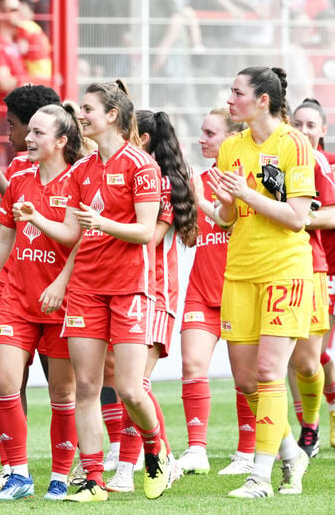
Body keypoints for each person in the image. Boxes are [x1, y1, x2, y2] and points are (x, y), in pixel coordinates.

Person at [13, 80, 172, 502]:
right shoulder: (81, 171)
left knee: (131, 388)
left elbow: (143, 232)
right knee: (85, 388)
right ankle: (94, 481)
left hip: (129, 289)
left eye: (87, 109)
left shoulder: (141, 166)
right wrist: (35, 218)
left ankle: (156, 448)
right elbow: (69, 233)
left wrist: (103, 225)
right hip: (85, 289)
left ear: (112, 116)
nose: (81, 115)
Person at [208, 66, 314, 499]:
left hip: (285, 270)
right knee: (248, 382)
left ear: (263, 100)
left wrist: (248, 194)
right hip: (240, 272)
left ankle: (260, 477)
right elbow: (227, 218)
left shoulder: (294, 143)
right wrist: (228, 203)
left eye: (237, 92)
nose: (230, 99)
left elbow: (297, 218)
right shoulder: (230, 147)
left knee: (271, 372)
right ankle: (291, 454)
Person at [0, 103, 87, 501]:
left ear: (61, 141)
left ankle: (59, 476)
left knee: (63, 394)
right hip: (17, 300)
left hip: (62, 302)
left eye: (39, 133)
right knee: (4, 383)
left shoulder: (79, 181)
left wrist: (60, 281)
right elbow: (4, 235)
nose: (29, 139)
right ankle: (18, 475)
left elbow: (76, 238)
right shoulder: (20, 177)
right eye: (30, 132)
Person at [0, 83, 61, 491]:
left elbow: (36, 208)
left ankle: (81, 464)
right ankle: (13, 467)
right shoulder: (19, 166)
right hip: (14, 287)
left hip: (57, 287)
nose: (10, 133)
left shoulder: (69, 169)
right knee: (8, 381)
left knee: (71, 386)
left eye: (15, 125)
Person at [105, 108, 198, 494]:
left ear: (141, 139)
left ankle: (130, 468)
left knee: (133, 385)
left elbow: (148, 238)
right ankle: (164, 457)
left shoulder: (154, 180)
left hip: (153, 292)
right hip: (135, 288)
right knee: (130, 384)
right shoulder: (147, 174)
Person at [177, 108, 256, 476]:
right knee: (192, 364)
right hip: (202, 287)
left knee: (247, 379)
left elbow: (230, 220)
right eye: (201, 132)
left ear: (232, 138)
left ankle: (247, 452)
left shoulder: (246, 180)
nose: (202, 139)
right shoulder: (197, 178)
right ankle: (196, 449)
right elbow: (194, 235)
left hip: (241, 289)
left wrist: (198, 199)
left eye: (210, 133)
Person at [290, 99, 335, 451]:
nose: (303, 131)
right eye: (298, 123)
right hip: (287, 264)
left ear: (324, 131)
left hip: (327, 264)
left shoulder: (327, 164)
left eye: (311, 125)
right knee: (291, 357)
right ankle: (306, 428)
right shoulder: (284, 155)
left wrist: (293, 215)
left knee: (313, 353)